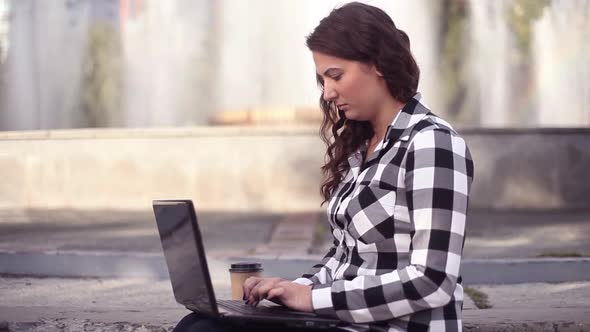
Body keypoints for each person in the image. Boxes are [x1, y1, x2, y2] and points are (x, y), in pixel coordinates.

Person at [174, 2, 474, 331]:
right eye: (322, 80)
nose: (328, 93)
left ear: (377, 64)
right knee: (200, 322)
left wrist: (313, 299)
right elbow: (343, 259)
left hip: (395, 327)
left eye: (336, 76)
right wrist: (290, 290)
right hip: (343, 323)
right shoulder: (363, 147)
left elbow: (432, 281)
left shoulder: (432, 144)